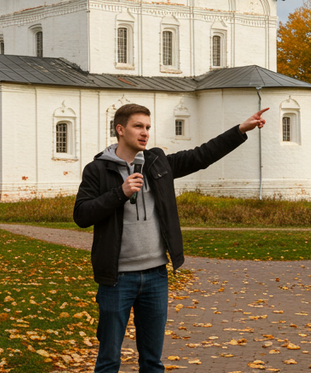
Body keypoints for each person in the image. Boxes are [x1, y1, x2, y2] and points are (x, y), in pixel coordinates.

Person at [74, 103, 268, 373]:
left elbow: (201, 155)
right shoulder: (97, 170)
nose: (145, 133)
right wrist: (120, 192)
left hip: (156, 276)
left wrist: (239, 130)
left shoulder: (157, 162)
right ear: (120, 129)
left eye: (148, 127)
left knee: (152, 361)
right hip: (117, 279)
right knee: (108, 360)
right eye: (138, 126)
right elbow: (81, 215)